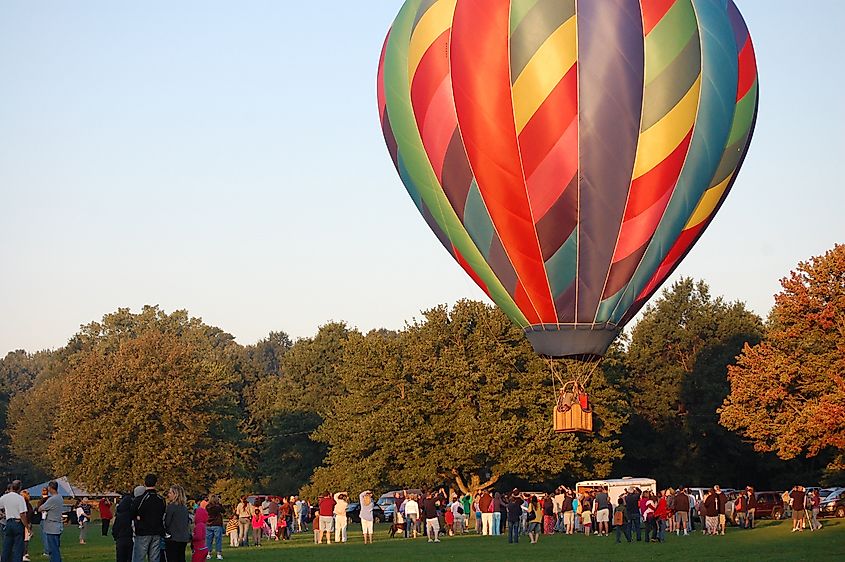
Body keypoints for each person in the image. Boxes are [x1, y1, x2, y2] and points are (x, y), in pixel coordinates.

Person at [131, 474, 167, 562]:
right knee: (154, 558)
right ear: (156, 483)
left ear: (145, 483)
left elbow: (132, 514)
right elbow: (162, 513)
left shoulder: (140, 499)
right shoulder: (161, 499)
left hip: (143, 531)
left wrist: (138, 517)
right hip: (157, 531)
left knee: (138, 557)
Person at [1, 480, 29, 562]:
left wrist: (2, 514)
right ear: (20, 488)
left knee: (7, 545)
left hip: (9, 522)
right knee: (18, 547)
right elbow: (22, 514)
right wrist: (27, 527)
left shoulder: (5, 497)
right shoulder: (20, 498)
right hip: (18, 523)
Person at [164, 485, 191, 562]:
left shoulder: (171, 507)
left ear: (175, 494)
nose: (168, 495)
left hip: (173, 538)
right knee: (181, 557)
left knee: (172, 558)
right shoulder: (184, 508)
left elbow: (167, 522)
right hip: (183, 538)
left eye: (170, 493)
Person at [38, 481, 63, 562]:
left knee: (53, 549)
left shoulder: (52, 499)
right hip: (58, 525)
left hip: (51, 527)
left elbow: (40, 508)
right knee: (55, 547)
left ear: (51, 488)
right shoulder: (60, 497)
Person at [112, 494, 134, 562]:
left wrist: (116, 537)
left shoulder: (119, 516)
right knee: (130, 558)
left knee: (120, 558)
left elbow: (115, 528)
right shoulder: (131, 515)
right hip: (130, 538)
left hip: (120, 538)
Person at [205, 495, 224, 560]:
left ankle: (208, 553)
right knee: (218, 540)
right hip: (217, 524)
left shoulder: (207, 506)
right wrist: (220, 503)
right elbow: (223, 511)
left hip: (208, 524)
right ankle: (218, 554)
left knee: (208, 540)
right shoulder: (218, 507)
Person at [20, 490, 34, 562]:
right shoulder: (24, 504)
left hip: (28, 522)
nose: (29, 496)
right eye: (28, 494)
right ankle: (23, 554)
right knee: (25, 539)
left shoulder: (28, 504)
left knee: (26, 539)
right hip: (25, 523)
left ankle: (25, 553)